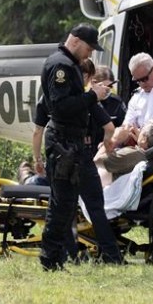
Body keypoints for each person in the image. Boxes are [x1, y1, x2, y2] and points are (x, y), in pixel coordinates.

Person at [39, 23, 122, 270]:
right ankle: (51, 258)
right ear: (75, 41)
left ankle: (58, 256)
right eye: (88, 48)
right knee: (62, 203)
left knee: (68, 201)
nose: (90, 54)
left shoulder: (69, 64)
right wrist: (92, 96)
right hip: (63, 142)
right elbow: (62, 106)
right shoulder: (61, 66)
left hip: (72, 143)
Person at [96, 53, 153, 184]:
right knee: (104, 168)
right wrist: (112, 141)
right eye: (137, 80)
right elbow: (126, 126)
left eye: (144, 78)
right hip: (143, 150)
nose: (141, 83)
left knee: (106, 164)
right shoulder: (137, 96)